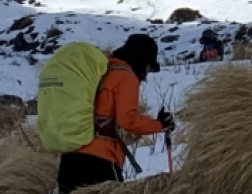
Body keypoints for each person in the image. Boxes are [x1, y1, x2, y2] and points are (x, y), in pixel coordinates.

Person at [56, 34, 175, 193]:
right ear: (141, 61)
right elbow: (128, 120)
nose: (148, 71)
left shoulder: (100, 72)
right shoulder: (125, 77)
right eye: (149, 66)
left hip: (70, 158)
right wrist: (160, 125)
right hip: (100, 161)